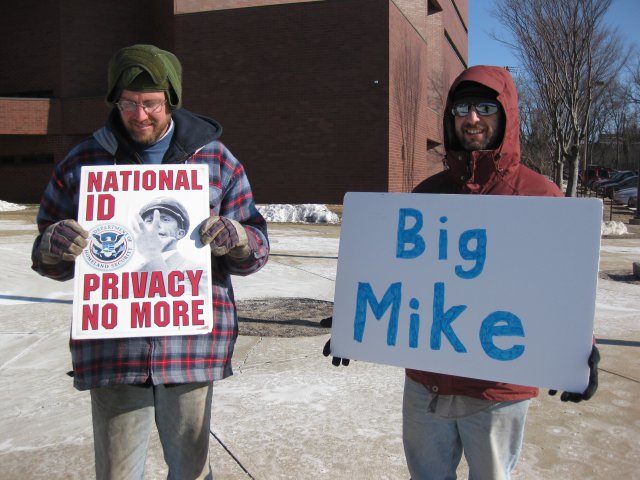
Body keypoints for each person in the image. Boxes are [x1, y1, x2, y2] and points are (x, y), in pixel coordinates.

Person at [324, 65, 599, 480]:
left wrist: (578, 348)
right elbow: (398, 275)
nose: (472, 118)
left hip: (498, 390)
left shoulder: (541, 196)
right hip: (425, 386)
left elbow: (561, 286)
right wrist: (354, 323)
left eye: (485, 107)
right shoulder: (427, 195)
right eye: (462, 107)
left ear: (505, 114)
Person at [31, 44, 269, 479]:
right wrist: (51, 244)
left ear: (170, 99)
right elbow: (48, 254)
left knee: (191, 471)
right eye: (127, 103)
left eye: (150, 104)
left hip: (190, 349)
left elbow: (257, 247)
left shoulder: (215, 160)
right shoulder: (83, 163)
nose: (139, 115)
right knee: (118, 473)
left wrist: (237, 238)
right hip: (113, 351)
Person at [133, 196, 198, 273]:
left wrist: (153, 255)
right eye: (150, 220)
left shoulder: (197, 270)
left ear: (180, 233)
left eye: (165, 220)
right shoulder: (135, 273)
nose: (156, 225)